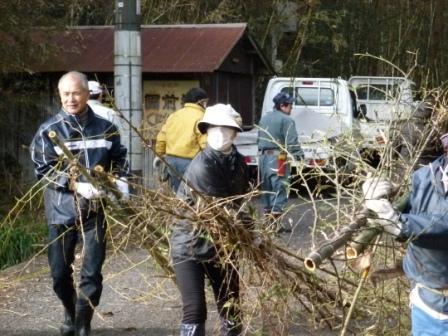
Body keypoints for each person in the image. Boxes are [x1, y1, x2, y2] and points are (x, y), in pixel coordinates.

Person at [30, 71, 129, 336]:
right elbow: (43, 168)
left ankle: (83, 321)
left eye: (76, 93)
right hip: (61, 209)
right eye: (66, 94)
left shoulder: (106, 127)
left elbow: (120, 157)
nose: (71, 99)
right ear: (59, 95)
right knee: (60, 272)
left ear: (87, 94)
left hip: (95, 209)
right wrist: (74, 184)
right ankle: (69, 310)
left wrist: (119, 180)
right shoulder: (49, 131)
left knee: (92, 271)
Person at [170, 103, 250, 336]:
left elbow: (241, 202)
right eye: (213, 129)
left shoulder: (239, 163)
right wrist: (246, 231)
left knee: (231, 305)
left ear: (235, 133)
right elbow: (221, 211)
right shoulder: (202, 166)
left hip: (222, 244)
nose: (220, 134)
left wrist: (253, 232)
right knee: (195, 310)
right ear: (206, 132)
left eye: (226, 129)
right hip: (190, 244)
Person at [363, 131, 448, 335]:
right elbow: (406, 211)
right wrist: (378, 200)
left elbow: (441, 226)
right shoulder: (426, 175)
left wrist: (400, 224)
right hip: (426, 305)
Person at [257, 92, 303, 230]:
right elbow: (292, 141)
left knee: (266, 188)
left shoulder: (264, 118)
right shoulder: (287, 120)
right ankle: (275, 224)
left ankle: (267, 220)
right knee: (280, 188)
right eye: (290, 105)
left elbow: (258, 138)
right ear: (282, 105)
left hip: (263, 158)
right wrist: (299, 155)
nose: (292, 108)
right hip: (279, 158)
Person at [155, 87, 208, 192]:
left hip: (171, 161)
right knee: (191, 194)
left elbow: (162, 138)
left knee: (177, 193)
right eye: (206, 102)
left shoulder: (174, 115)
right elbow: (205, 142)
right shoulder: (202, 117)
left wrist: (160, 154)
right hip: (191, 162)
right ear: (200, 102)